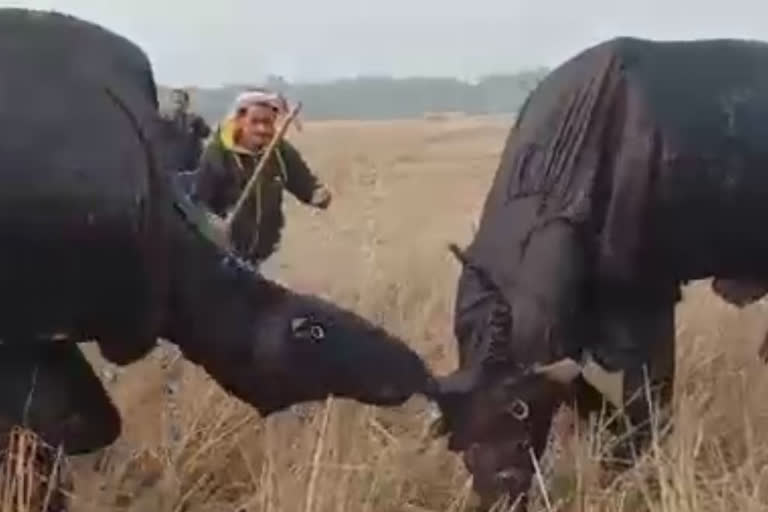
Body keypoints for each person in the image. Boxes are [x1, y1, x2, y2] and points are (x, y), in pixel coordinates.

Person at [193, 89, 332, 266]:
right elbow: (198, 204)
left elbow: (303, 182)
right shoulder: (218, 154)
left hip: (267, 256)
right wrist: (212, 225)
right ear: (240, 120)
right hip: (226, 256)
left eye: (268, 122)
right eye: (255, 122)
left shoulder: (280, 151)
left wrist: (316, 194)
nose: (262, 129)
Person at [160, 88, 211, 173]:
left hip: (191, 170)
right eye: (175, 101)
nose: (177, 105)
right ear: (170, 102)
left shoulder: (195, 120)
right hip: (170, 170)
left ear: (186, 104)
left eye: (180, 102)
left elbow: (206, 134)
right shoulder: (162, 120)